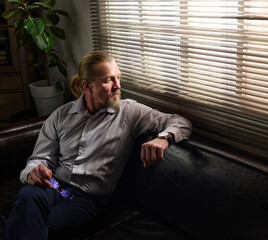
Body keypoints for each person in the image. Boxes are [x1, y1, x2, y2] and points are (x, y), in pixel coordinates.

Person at [3, 50, 192, 240]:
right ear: (87, 86)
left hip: (87, 200)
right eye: (108, 80)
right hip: (51, 185)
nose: (118, 86)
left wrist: (163, 138)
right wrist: (34, 171)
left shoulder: (130, 112)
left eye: (118, 78)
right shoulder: (60, 116)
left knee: (30, 223)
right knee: (28, 196)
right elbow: (39, 158)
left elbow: (181, 122)